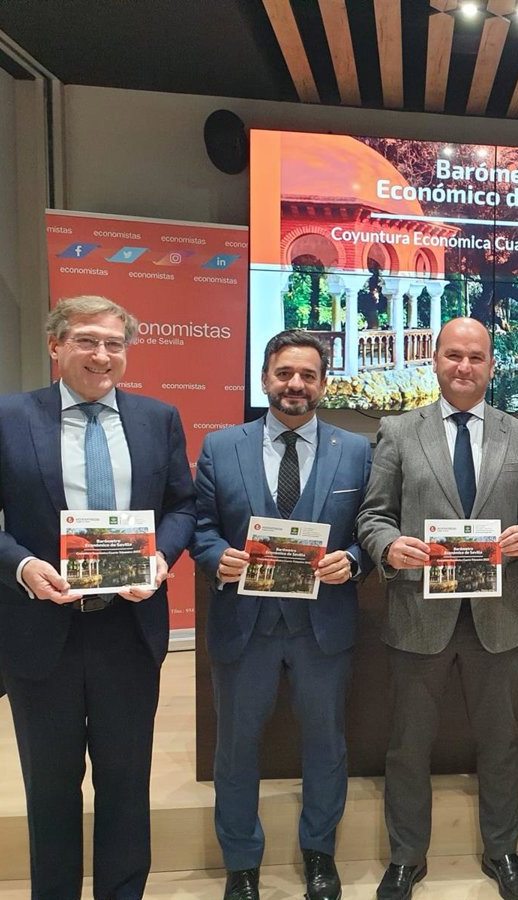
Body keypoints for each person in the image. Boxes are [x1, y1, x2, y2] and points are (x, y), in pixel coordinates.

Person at [0, 295, 196, 900]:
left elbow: (182, 507)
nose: (101, 354)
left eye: (114, 343)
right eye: (87, 340)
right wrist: (22, 566)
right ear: (56, 345)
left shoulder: (158, 419)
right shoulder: (7, 417)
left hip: (128, 628)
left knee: (126, 782)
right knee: (50, 787)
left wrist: (161, 557)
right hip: (41, 628)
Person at [356, 317, 518, 900]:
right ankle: (405, 858)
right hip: (418, 616)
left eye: (475, 357)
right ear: (436, 360)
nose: (464, 366)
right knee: (408, 746)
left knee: (502, 746)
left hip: (497, 620)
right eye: (453, 356)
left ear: (492, 365)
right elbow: (372, 515)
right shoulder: (398, 431)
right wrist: (388, 546)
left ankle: (503, 852)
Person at [190, 330, 372, 900]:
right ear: (265, 377)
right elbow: (200, 527)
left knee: (326, 744)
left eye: (308, 375)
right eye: (285, 373)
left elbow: (372, 527)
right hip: (245, 626)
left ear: (324, 383)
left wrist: (355, 559)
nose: (296, 384)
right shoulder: (221, 447)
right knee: (236, 748)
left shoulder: (356, 450)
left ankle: (319, 854)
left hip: (323, 628)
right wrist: (216, 557)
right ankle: (241, 864)